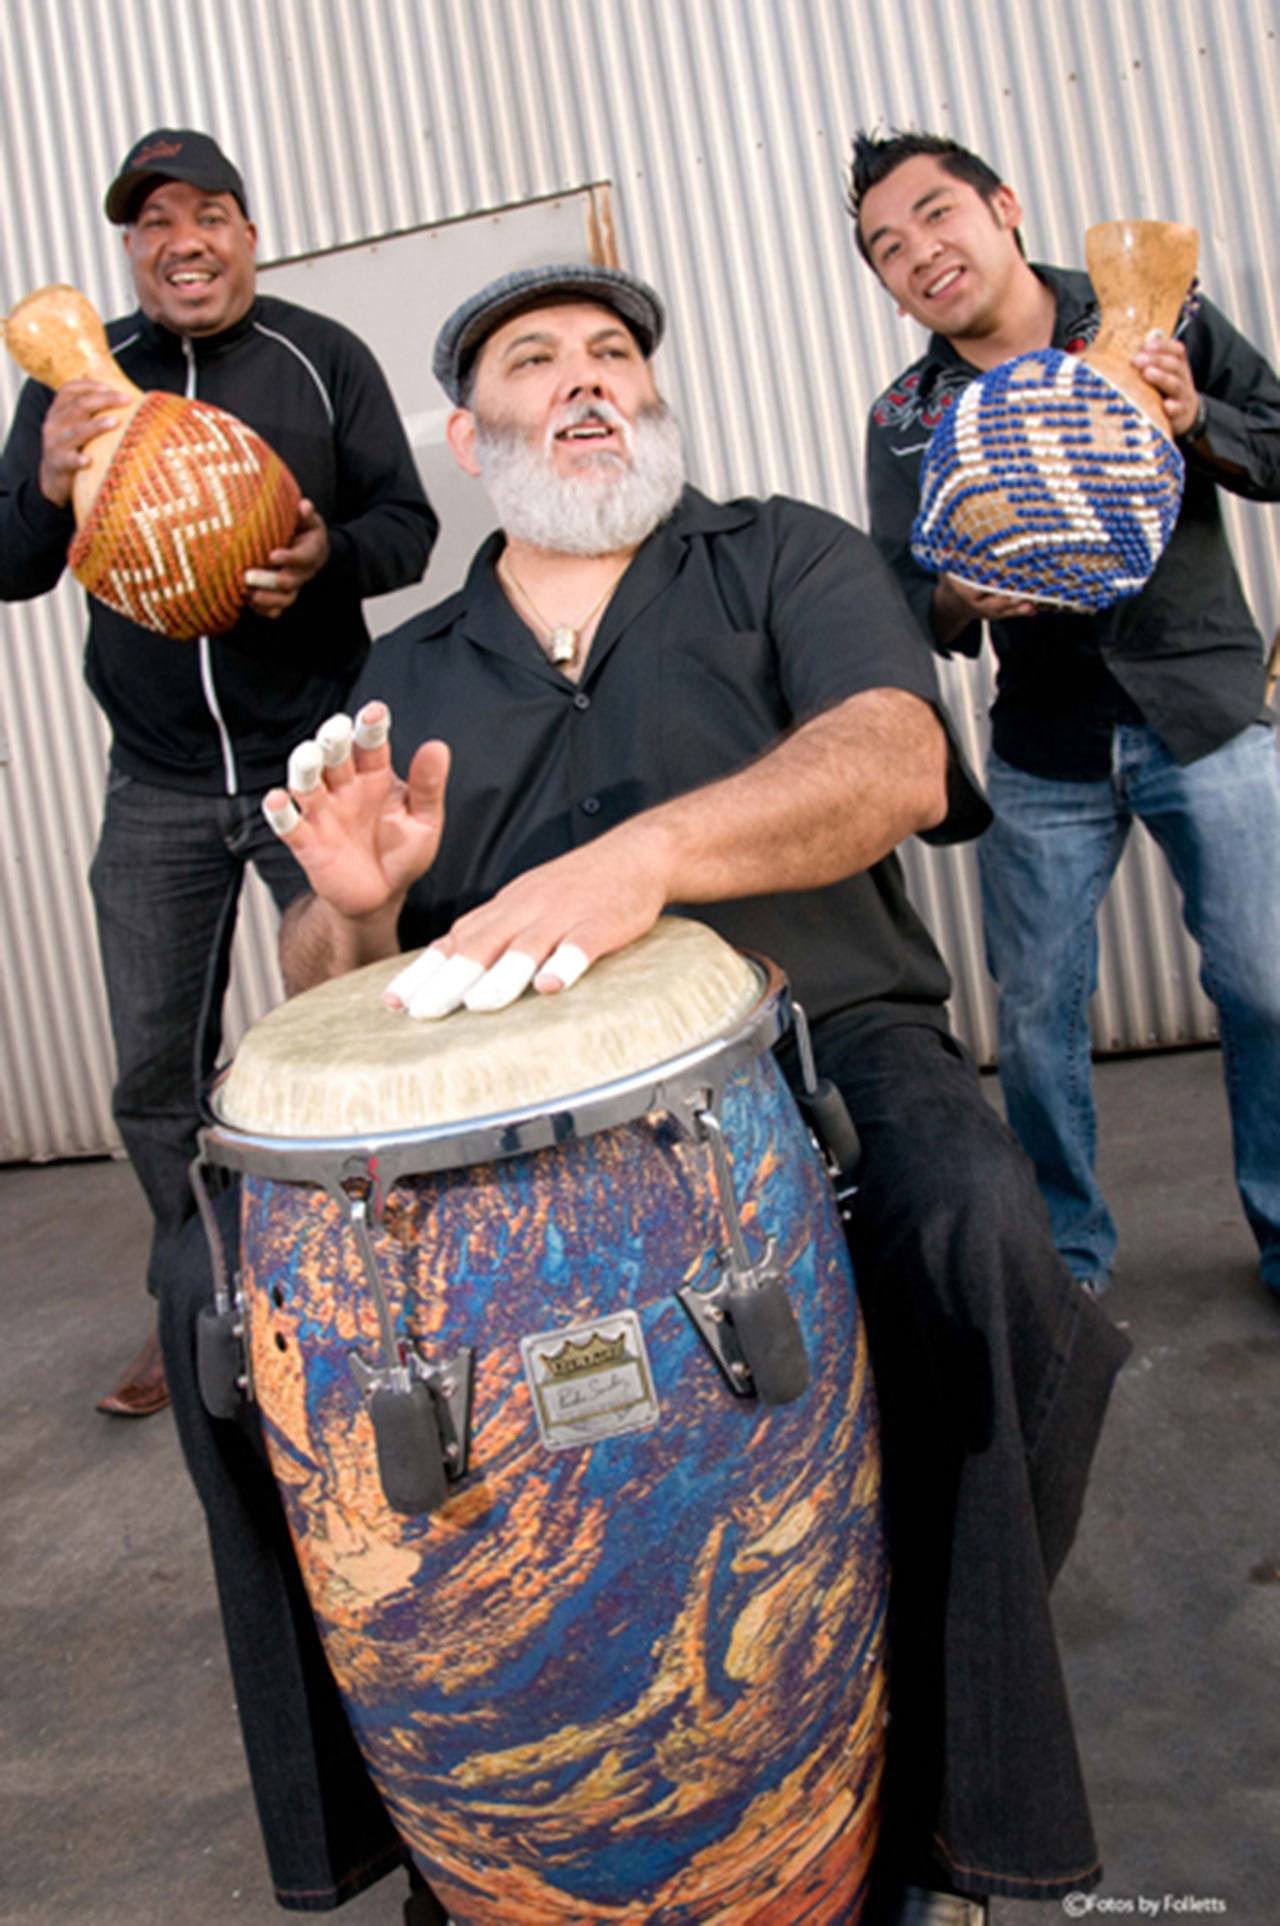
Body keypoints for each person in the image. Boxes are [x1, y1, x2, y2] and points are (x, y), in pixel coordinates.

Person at [161, 262, 1129, 1926]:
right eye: (536, 362)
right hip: (494, 1133)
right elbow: (332, 987)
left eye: (616, 354)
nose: (589, 379)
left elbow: (896, 758)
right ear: (471, 438)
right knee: (208, 1298)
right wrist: (369, 903)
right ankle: (428, 1809)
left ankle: (920, 1785)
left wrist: (650, 856)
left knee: (983, 1248)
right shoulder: (412, 663)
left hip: (823, 1042)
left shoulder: (783, 554)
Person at [0, 128, 439, 1417]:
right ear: (130, 249)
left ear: (247, 231)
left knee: (376, 1014)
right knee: (154, 1069)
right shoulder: (79, 383)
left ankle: (413, 1271)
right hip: (157, 780)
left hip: (312, 760)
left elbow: (404, 527)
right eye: (151, 223)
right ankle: (197, 1292)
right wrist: (40, 477)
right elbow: (12, 561)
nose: (180, 240)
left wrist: (322, 560)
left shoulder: (320, 356)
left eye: (206, 215)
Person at [849, 127, 1280, 1302]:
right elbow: (896, 585)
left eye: (936, 215)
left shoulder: (1153, 316)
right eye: (887, 248)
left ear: (1003, 207)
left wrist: (1197, 422)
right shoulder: (906, 418)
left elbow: (1278, 441)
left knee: (1265, 987)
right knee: (1035, 1018)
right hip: (1044, 742)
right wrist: (951, 590)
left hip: (1204, 704)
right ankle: (1069, 1263)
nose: (919, 253)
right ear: (886, 288)